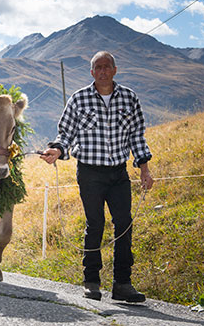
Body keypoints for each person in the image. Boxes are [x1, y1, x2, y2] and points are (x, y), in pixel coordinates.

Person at [41, 51, 154, 303]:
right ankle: (91, 281)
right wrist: (57, 150)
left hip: (119, 173)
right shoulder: (79, 99)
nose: (102, 71)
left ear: (115, 70)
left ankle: (123, 284)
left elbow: (137, 135)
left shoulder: (129, 98)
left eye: (107, 66)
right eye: (97, 67)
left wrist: (144, 168)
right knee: (95, 224)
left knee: (124, 224)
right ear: (91, 72)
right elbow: (65, 133)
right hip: (90, 172)